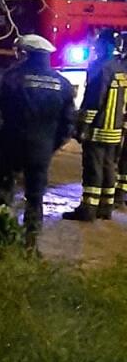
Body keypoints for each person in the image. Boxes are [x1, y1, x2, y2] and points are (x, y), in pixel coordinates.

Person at [0, 33, 76, 248]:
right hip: (41, 151)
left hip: (12, 146)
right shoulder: (63, 84)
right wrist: (50, 146)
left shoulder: (12, 77)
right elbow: (68, 125)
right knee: (35, 197)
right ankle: (31, 241)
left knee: (3, 190)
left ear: (26, 53)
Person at [64, 28, 127, 221]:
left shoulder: (101, 69)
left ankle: (88, 209)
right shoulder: (120, 69)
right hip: (115, 128)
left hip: (99, 128)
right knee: (109, 165)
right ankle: (105, 207)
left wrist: (83, 126)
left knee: (93, 166)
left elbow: (93, 101)